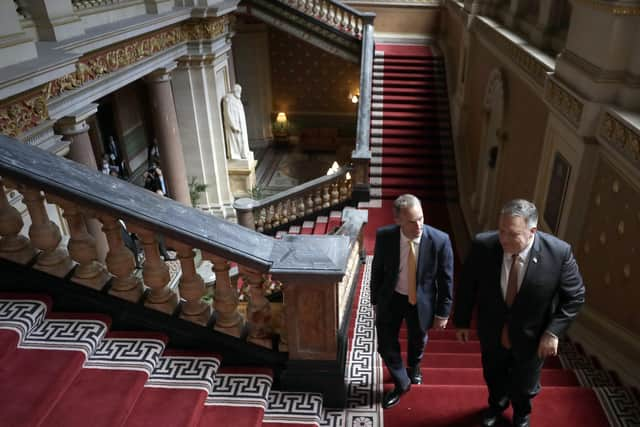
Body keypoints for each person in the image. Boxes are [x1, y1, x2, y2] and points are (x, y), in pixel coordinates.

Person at [454, 199, 585, 427]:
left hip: (533, 337)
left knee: (525, 385)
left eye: (512, 234)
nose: (503, 239)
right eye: (501, 230)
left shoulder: (559, 253)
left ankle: (521, 414)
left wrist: (553, 332)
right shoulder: (483, 245)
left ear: (532, 231)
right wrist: (463, 321)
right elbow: (467, 285)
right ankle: (497, 405)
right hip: (492, 331)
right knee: (493, 375)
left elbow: (575, 297)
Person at [370, 194, 454, 409]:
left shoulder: (440, 240)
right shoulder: (385, 236)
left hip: (421, 301)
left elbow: (446, 280)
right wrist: (374, 300)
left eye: (421, 218)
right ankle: (402, 382)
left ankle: (414, 367)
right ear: (398, 220)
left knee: (418, 339)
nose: (419, 225)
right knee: (385, 345)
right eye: (412, 221)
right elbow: (377, 269)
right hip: (392, 297)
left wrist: (442, 313)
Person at [222, 84, 250, 160]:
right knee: (237, 141)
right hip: (235, 125)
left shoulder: (237, 99)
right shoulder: (228, 99)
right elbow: (227, 114)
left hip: (241, 124)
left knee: (242, 140)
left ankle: (243, 153)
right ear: (235, 91)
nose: (240, 93)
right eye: (239, 91)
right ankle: (238, 154)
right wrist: (233, 126)